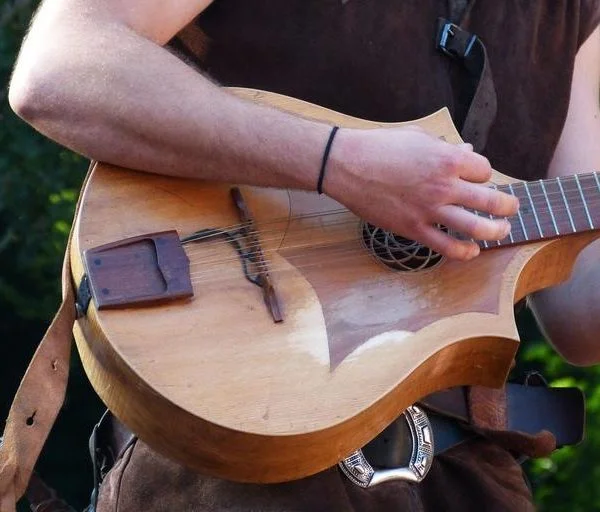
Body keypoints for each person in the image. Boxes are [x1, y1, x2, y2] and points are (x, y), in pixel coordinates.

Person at [6, 0, 600, 510]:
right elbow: (61, 67)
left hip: (466, 472)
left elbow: (581, 317)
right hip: (233, 453)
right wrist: (340, 164)